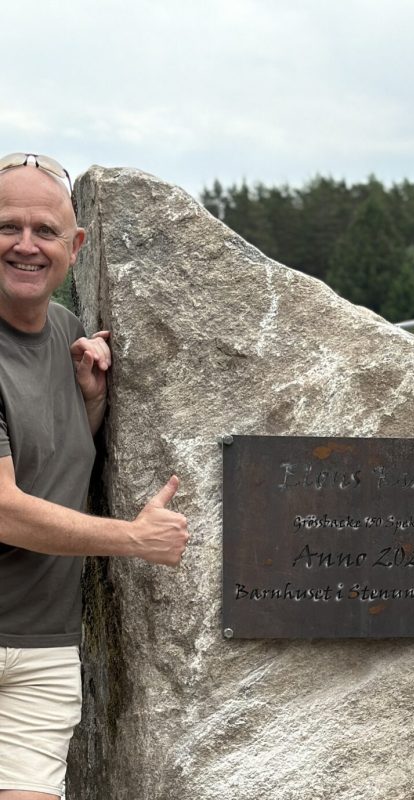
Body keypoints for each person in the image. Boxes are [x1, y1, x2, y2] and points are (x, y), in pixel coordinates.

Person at [0, 153, 190, 800]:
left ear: (76, 246)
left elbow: (51, 458)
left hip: (43, 649)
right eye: (7, 227)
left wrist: (90, 401)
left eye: (45, 231)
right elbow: (6, 510)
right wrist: (135, 539)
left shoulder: (68, 334)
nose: (26, 245)